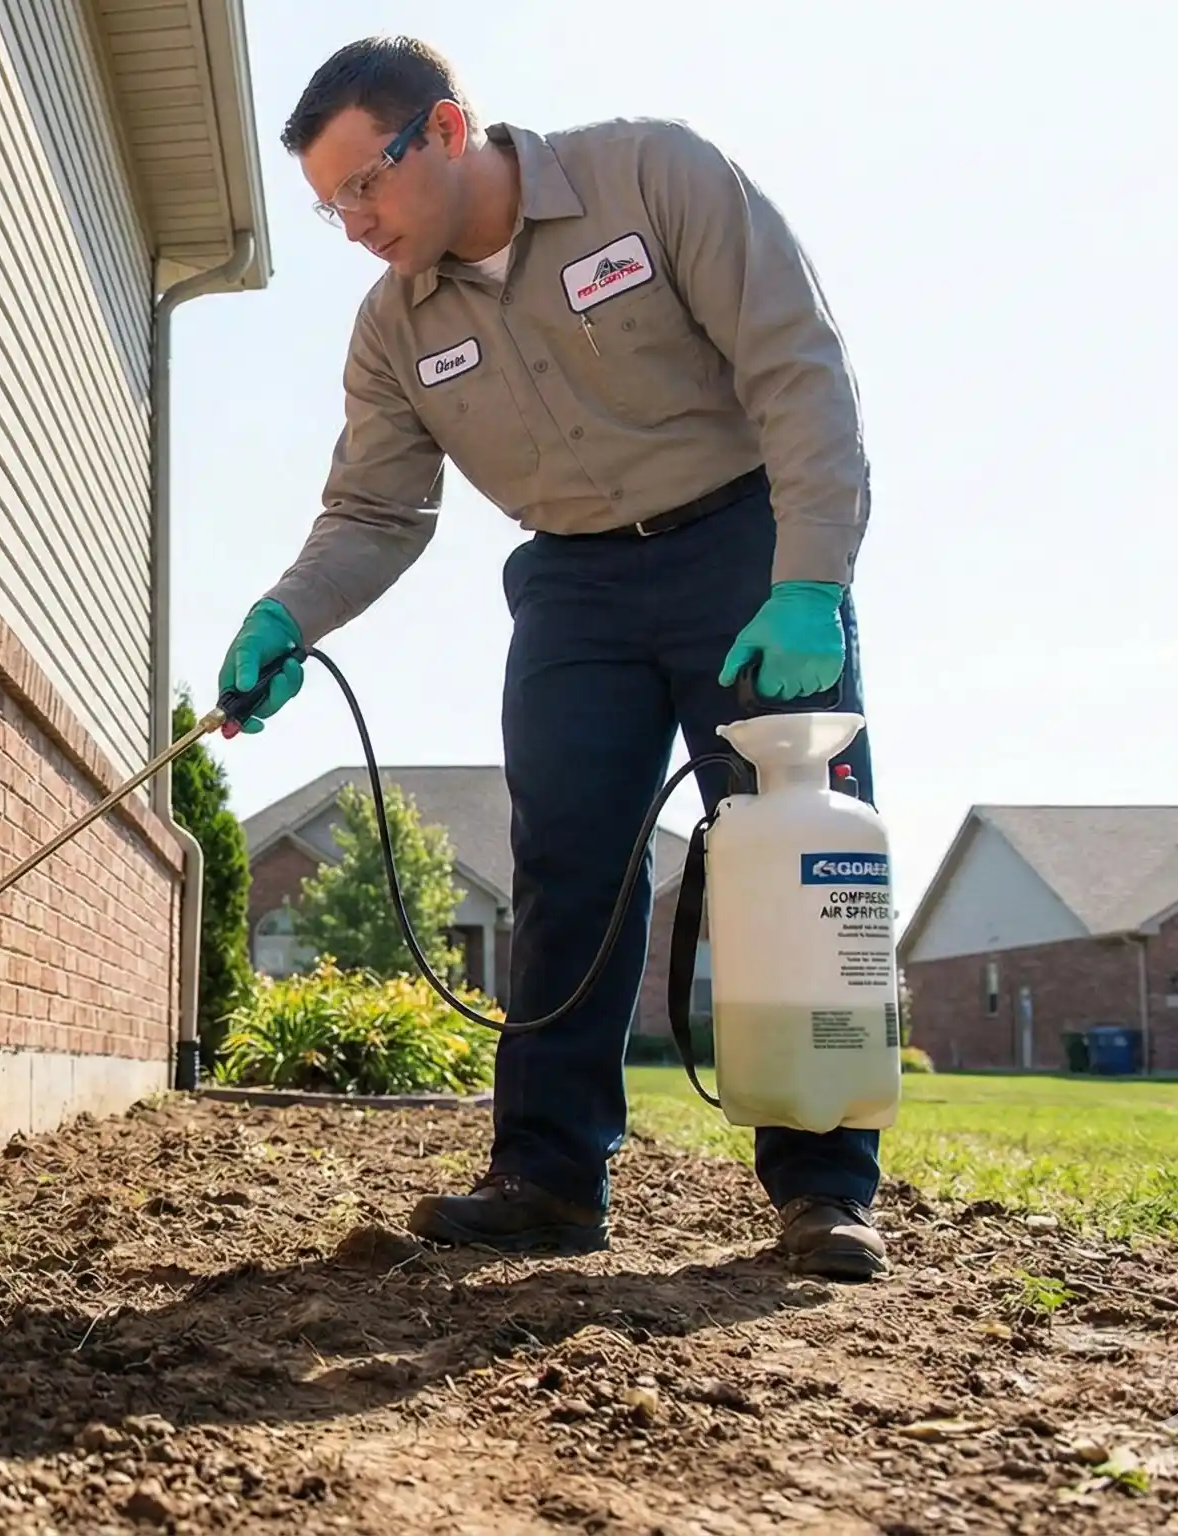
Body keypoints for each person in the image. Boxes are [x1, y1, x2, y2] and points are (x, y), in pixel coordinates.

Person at [216, 36, 889, 1280]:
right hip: (574, 588)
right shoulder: (392, 330)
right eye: (330, 204)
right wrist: (286, 616)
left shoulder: (654, 179)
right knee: (565, 865)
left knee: (785, 851)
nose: (352, 222)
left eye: (364, 183)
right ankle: (545, 1175)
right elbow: (375, 513)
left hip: (746, 551)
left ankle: (823, 1188)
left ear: (447, 127)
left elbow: (796, 369)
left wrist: (810, 581)